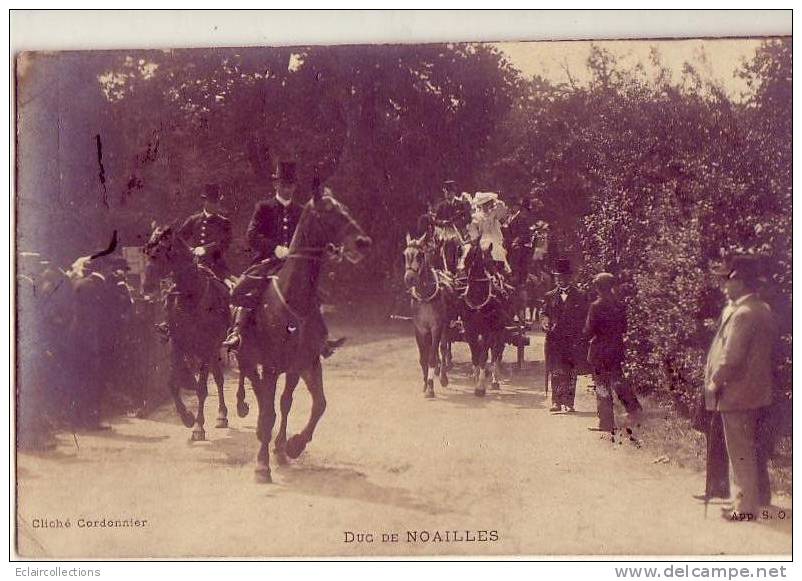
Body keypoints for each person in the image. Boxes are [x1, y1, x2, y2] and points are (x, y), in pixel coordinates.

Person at [224, 164, 344, 357]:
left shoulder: (301, 211)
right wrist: (275, 248)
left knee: (313, 294)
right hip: (268, 261)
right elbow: (252, 235)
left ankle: (321, 339)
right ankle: (237, 333)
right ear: (275, 184)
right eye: (283, 185)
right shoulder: (264, 208)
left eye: (290, 185)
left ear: (295, 187)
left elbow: (313, 237)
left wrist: (329, 248)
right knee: (243, 290)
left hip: (296, 267)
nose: (287, 189)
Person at [705, 254, 778, 521]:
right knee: (750, 448)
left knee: (740, 451)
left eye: (728, 280)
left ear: (741, 281)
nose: (724, 285)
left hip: (737, 393)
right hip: (757, 391)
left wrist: (715, 381)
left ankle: (745, 508)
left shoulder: (744, 314)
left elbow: (731, 357)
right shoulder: (762, 308)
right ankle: (749, 499)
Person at [584, 272, 641, 432]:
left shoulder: (595, 306)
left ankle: (606, 422)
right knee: (618, 380)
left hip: (599, 350)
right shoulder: (619, 305)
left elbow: (589, 330)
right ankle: (634, 409)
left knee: (602, 385)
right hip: (616, 348)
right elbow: (624, 327)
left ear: (597, 288)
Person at [542, 258, 588, 413]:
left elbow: (585, 317)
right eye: (558, 277)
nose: (561, 280)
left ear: (570, 278)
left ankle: (569, 402)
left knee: (570, 371)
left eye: (564, 277)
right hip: (554, 340)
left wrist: (582, 337)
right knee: (555, 370)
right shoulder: (549, 295)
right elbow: (544, 313)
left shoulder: (580, 296)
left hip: (572, 340)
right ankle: (556, 401)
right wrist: (545, 323)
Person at [177, 184, 233, 282]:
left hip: (216, 266)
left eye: (216, 202)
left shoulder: (224, 223)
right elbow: (179, 239)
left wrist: (205, 249)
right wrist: (189, 249)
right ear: (205, 202)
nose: (214, 204)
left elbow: (224, 244)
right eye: (211, 201)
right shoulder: (193, 220)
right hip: (194, 264)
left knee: (228, 289)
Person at [432, 179, 471, 274]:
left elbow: (468, 218)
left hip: (459, 232)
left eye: (450, 192)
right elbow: (436, 220)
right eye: (446, 192)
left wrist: (457, 223)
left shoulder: (461, 204)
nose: (448, 194)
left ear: (454, 193)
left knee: (463, 248)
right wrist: (443, 222)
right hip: (446, 231)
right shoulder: (442, 206)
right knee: (438, 249)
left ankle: (461, 267)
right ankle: (439, 269)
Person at [467, 191, 510, 274]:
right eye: (484, 205)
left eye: (488, 204)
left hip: (494, 236)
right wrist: (475, 237)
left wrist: (496, 202)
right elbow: (473, 229)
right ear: (481, 205)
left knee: (497, 249)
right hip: (482, 237)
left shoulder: (493, 214)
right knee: (471, 249)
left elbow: (502, 211)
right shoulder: (477, 216)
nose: (486, 206)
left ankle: (501, 269)